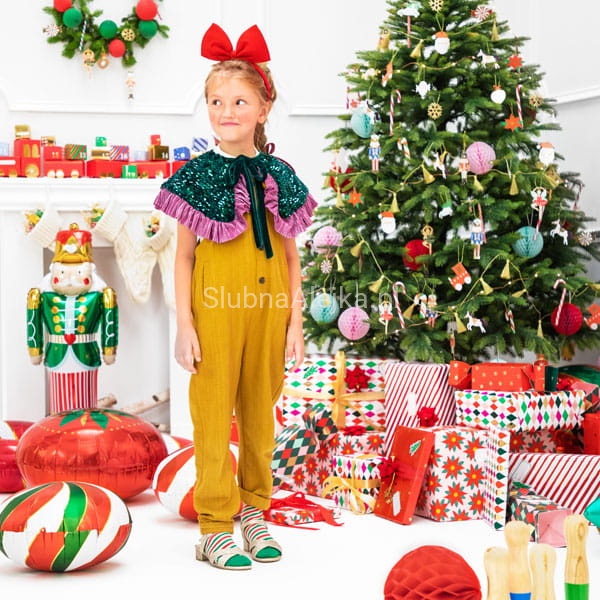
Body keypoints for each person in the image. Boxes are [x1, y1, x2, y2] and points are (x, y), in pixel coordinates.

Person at [153, 23, 316, 571]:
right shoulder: (196, 176)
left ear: (263, 108)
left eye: (239, 101)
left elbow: (291, 257)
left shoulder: (280, 175)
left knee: (259, 417)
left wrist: (295, 323)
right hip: (215, 313)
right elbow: (183, 257)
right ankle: (215, 525)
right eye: (216, 102)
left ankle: (254, 510)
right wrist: (185, 324)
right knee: (211, 414)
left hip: (268, 312)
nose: (226, 111)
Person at [26, 223, 118, 414]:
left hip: (86, 353)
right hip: (56, 354)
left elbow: (109, 321)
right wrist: (35, 350)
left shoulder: (98, 296)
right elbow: (34, 320)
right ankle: (60, 428)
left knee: (86, 402)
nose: (69, 279)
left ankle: (85, 427)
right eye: (62, 272)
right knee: (59, 403)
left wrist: (109, 349)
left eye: (78, 272)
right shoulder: (44, 296)